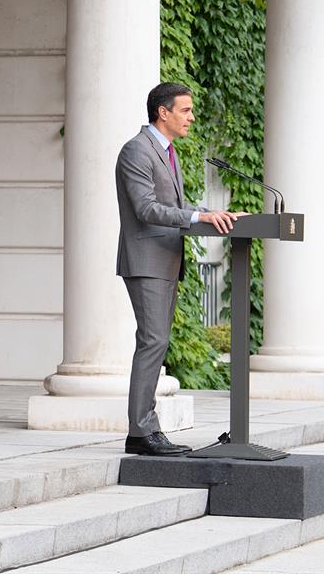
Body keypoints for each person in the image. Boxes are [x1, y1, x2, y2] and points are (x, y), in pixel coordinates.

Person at [116, 82, 240, 456]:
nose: (191, 117)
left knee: (157, 342)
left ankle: (145, 428)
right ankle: (140, 431)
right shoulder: (137, 151)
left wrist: (217, 216)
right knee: (152, 342)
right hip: (147, 259)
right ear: (163, 112)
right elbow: (146, 209)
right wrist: (199, 215)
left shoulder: (166, 152)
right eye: (185, 110)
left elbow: (175, 208)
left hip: (166, 258)